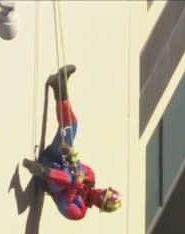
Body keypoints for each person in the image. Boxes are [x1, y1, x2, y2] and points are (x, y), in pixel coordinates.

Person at [22, 65, 122, 220]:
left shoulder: (79, 211)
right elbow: (77, 167)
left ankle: (39, 170)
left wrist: (75, 184)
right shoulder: (90, 177)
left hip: (49, 179)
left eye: (103, 196)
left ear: (100, 205)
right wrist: (69, 154)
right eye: (104, 191)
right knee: (72, 126)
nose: (100, 192)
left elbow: (65, 205)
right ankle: (59, 87)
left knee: (69, 179)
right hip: (54, 160)